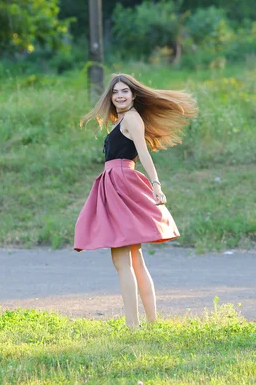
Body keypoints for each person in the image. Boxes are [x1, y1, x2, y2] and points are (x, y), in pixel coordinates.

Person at [74, 73, 198, 329]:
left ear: (133, 95)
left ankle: (134, 326)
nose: (119, 95)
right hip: (116, 183)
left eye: (125, 91)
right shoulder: (122, 120)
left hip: (121, 183)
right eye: (115, 92)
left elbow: (143, 153)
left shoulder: (131, 118)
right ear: (110, 97)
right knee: (133, 259)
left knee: (123, 261)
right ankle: (150, 323)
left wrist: (156, 185)